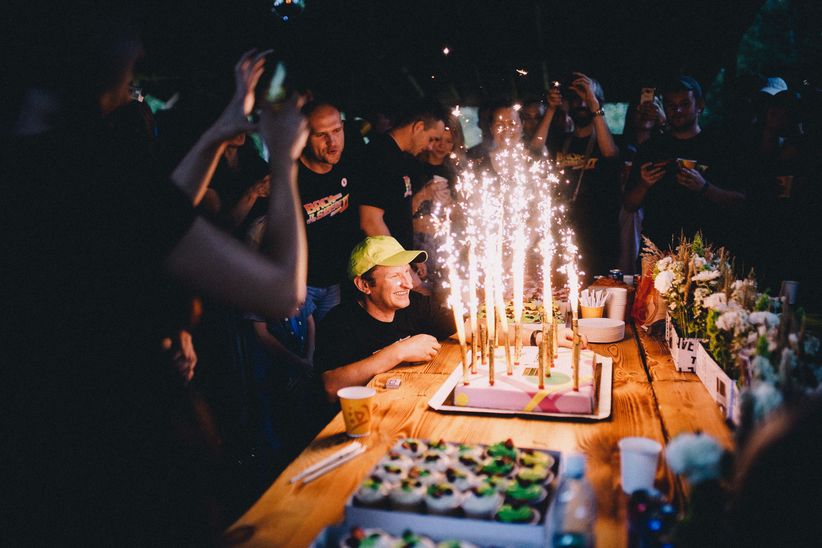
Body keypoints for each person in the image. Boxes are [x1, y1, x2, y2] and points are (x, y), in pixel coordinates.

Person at [4, 9, 308, 543]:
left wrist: (220, 130)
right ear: (87, 50)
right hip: (122, 452)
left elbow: (152, 219)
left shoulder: (34, 158)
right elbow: (283, 292)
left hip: (41, 451)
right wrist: (282, 160)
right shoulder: (93, 168)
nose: (139, 53)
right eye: (128, 34)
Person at [314, 236, 455, 400]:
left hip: (410, 401)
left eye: (407, 272)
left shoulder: (417, 304)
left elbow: (466, 328)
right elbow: (330, 387)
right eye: (395, 276)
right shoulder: (338, 322)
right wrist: (399, 351)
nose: (408, 284)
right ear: (364, 285)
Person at [623, 75, 746, 252]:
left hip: (705, 257)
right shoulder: (651, 148)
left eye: (685, 104)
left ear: (700, 106)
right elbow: (629, 204)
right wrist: (643, 185)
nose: (677, 110)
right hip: (657, 252)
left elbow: (740, 201)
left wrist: (705, 188)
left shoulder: (720, 147)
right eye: (671, 106)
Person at [548, 72, 620, 282]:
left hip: (599, 241)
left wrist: (593, 104)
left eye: (586, 98)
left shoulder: (609, 140)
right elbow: (535, 147)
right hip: (562, 237)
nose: (582, 104)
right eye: (576, 99)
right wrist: (552, 108)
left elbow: (609, 154)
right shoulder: (560, 140)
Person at [297, 100, 362, 321]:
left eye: (336, 131)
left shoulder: (349, 166)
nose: (332, 142)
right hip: (300, 284)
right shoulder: (290, 178)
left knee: (328, 344)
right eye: (321, 135)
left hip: (335, 281)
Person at [359, 99, 448, 255]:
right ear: (419, 127)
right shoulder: (378, 155)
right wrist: (401, 264)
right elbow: (371, 222)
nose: (431, 147)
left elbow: (397, 212)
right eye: (432, 139)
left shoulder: (403, 158)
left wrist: (411, 257)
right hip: (384, 265)